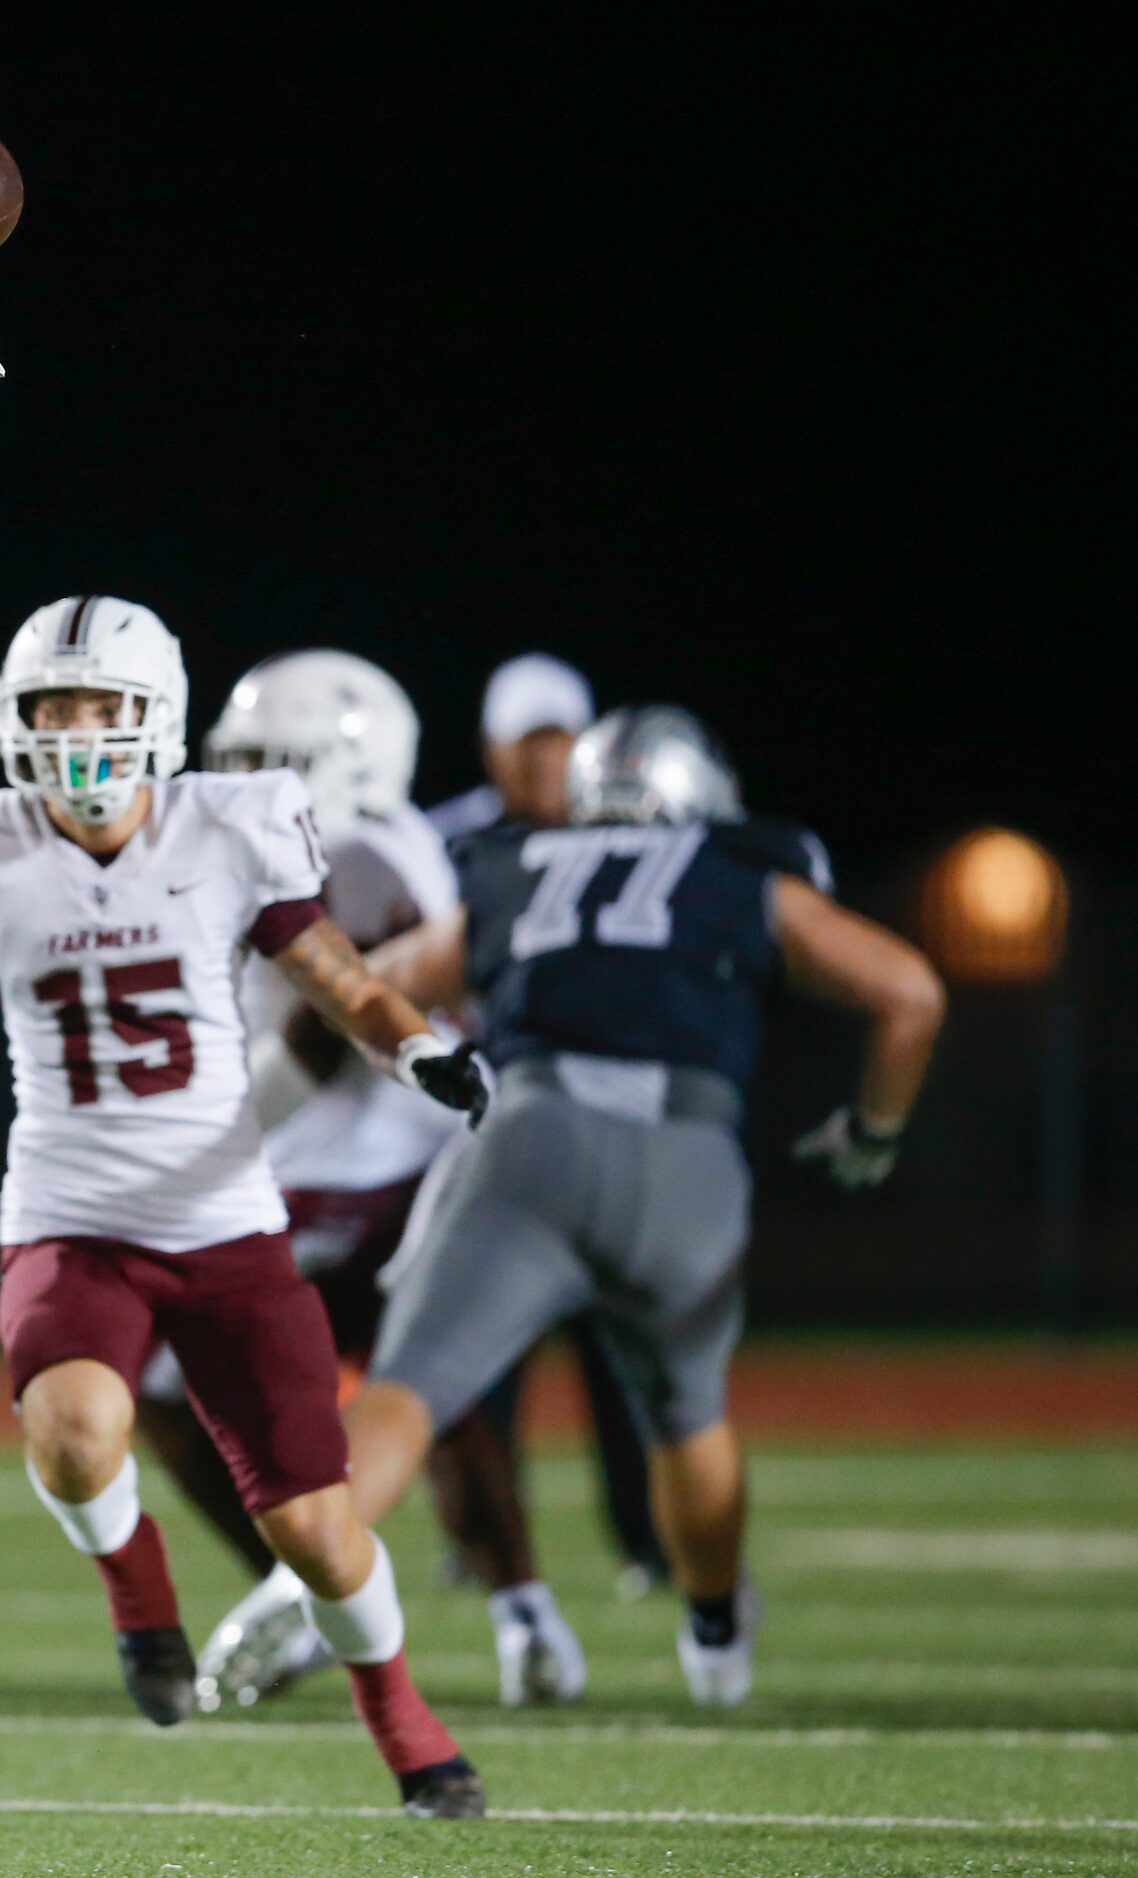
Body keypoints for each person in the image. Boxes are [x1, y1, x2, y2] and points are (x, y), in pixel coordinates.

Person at [0, 598, 489, 1819]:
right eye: (54, 710)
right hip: (69, 1217)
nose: (79, 736)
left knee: (319, 1536)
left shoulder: (228, 831)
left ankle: (399, 1715)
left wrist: (415, 1046)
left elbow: (337, 981)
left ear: (154, 718)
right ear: (15, 723)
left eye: (102, 708)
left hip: (224, 1221)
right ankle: (135, 1597)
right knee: (67, 1436)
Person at [350, 706, 946, 1704]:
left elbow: (374, 988)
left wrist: (441, 1069)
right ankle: (713, 1636)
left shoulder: (520, 864)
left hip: (524, 1139)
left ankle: (305, 1578)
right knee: (685, 1417)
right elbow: (910, 993)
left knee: (404, 1389)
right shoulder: (739, 871)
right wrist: (872, 1132)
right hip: (680, 1155)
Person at [174, 649, 584, 1711]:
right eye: (244, 755)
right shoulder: (361, 836)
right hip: (336, 1172)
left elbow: (326, 1030)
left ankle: (501, 1611)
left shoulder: (353, 849)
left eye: (277, 757)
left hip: (375, 1171)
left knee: (419, 1391)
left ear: (349, 761)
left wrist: (206, 1138)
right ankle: (362, 1592)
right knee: (410, 1393)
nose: (251, 776)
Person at [433, 651, 680, 1602]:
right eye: (524, 745)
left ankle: (648, 1542)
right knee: (475, 1362)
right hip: (482, 1141)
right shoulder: (447, 843)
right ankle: (487, 1544)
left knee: (620, 1356)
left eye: (557, 744)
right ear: (493, 751)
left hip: (599, 1139)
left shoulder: (632, 835)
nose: (542, 765)